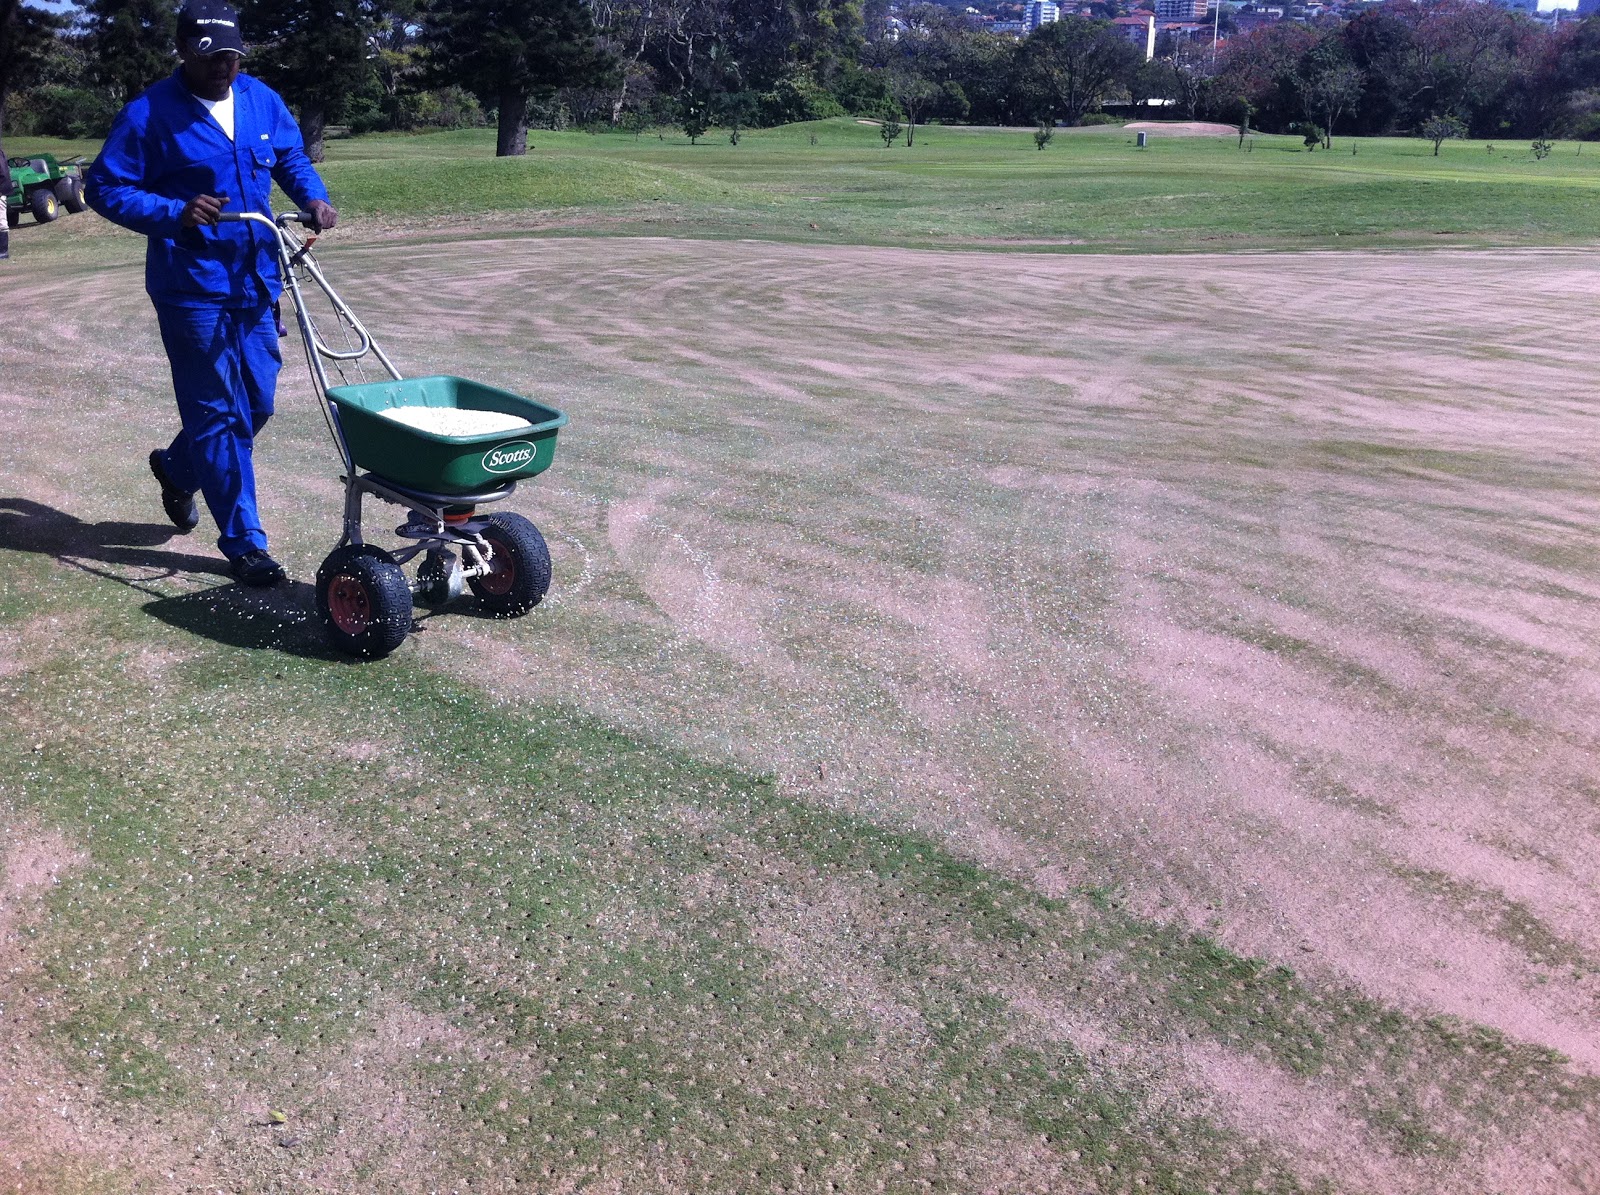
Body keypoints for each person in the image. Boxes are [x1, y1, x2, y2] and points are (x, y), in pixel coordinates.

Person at [85, 0, 337, 585]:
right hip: (191, 288)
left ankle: (177, 468)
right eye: (210, 56)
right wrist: (175, 211)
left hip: (256, 276)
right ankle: (245, 542)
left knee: (258, 402)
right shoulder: (148, 114)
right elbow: (104, 187)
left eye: (231, 55)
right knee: (218, 414)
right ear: (182, 52)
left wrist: (312, 198)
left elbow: (290, 155)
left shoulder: (258, 98)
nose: (223, 66)